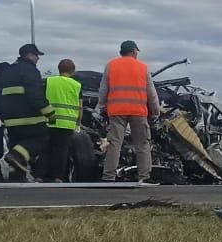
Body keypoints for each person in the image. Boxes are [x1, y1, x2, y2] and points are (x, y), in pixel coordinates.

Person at [99, 40, 161, 182]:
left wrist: (102, 107)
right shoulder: (143, 67)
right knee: (143, 144)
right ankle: (144, 177)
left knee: (114, 144)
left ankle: (108, 176)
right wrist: (156, 110)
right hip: (138, 111)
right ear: (134, 51)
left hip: (116, 111)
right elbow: (151, 93)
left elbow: (103, 90)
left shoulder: (111, 65)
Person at [0, 43, 54, 180]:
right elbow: (35, 95)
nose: (38, 59)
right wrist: (50, 113)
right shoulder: (30, 71)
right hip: (30, 119)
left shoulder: (8, 72)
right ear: (29, 55)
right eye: (36, 56)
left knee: (18, 144)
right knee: (40, 140)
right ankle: (15, 156)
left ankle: (16, 178)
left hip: (11, 120)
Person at [43, 58, 84, 183]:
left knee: (46, 148)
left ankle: (40, 175)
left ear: (59, 69)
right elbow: (80, 107)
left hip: (49, 120)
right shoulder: (77, 85)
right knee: (62, 150)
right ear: (73, 71)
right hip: (67, 123)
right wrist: (78, 122)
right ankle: (58, 177)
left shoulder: (49, 81)